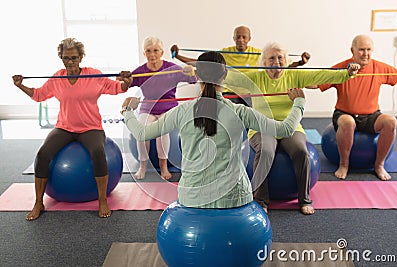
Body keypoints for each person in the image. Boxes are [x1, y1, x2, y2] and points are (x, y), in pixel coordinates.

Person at [122, 51, 306, 210]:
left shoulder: (181, 111)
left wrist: (127, 111)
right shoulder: (239, 111)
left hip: (192, 197)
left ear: (197, 76)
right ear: (224, 75)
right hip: (234, 198)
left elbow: (141, 133)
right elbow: (287, 129)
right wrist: (299, 103)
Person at [226, 42, 360, 215]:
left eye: (280, 57)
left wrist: (347, 73)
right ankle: (260, 200)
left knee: (301, 151)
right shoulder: (255, 78)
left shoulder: (294, 75)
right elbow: (229, 77)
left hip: (290, 126)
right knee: (266, 151)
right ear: (264, 62)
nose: (277, 61)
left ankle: (304, 199)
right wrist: (202, 72)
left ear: (286, 59)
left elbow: (321, 75)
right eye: (272, 58)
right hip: (262, 127)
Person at [12, 37, 133, 220]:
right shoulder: (57, 78)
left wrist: (127, 81)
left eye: (74, 58)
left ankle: (102, 200)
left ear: (81, 57)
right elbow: (38, 95)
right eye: (66, 58)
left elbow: (117, 88)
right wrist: (20, 85)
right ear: (61, 58)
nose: (70, 62)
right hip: (65, 127)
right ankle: (38, 202)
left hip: (91, 128)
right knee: (43, 154)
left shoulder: (93, 75)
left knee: (98, 152)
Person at [318, 34, 397, 180]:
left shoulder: (379, 67)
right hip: (344, 114)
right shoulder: (341, 68)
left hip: (371, 116)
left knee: (391, 121)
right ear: (352, 50)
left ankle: (379, 165)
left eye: (369, 49)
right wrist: (297, 79)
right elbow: (318, 82)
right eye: (361, 49)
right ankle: (344, 164)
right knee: (348, 123)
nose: (365, 54)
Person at [170, 25, 311, 106]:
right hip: (229, 93)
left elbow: (279, 68)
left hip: (250, 93)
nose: (241, 40)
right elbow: (202, 63)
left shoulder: (258, 53)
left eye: (244, 37)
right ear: (233, 38)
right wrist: (177, 56)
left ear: (249, 38)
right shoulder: (225, 52)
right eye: (238, 36)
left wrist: (300, 63)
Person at [129, 36, 196, 180]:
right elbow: (125, 84)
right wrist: (123, 78)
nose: (152, 54)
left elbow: (192, 81)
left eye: (155, 50)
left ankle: (163, 167)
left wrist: (191, 72)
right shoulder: (141, 71)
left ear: (161, 52)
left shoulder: (171, 69)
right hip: (148, 108)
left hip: (168, 107)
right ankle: (143, 166)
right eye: (148, 51)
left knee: (162, 131)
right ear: (144, 53)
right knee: (141, 132)